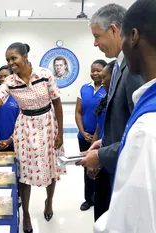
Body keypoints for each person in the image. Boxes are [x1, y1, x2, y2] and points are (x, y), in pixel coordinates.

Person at [0, 42, 65, 233]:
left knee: (51, 168)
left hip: (48, 125)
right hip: (25, 127)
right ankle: (25, 215)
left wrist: (61, 133)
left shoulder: (45, 75)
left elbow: (57, 104)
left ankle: (49, 201)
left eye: (13, 58)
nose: (10, 63)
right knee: (24, 173)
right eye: (8, 60)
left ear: (25, 56)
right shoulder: (10, 82)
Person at [95, 0, 156, 231]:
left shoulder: (146, 129)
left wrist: (102, 154)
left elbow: (135, 221)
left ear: (133, 36)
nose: (95, 43)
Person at [77, 3, 143, 207]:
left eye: (97, 36)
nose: (95, 44)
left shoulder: (133, 70)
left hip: (128, 169)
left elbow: (138, 134)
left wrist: (102, 154)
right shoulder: (116, 67)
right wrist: (103, 143)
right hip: (115, 160)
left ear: (114, 30)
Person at [75, 59, 107, 211]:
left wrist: (94, 136)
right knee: (86, 168)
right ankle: (89, 198)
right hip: (83, 137)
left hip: (101, 139)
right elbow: (78, 112)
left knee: (100, 168)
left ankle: (100, 197)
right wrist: (82, 132)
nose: (94, 73)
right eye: (92, 70)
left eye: (98, 70)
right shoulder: (84, 88)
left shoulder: (108, 88)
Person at [90, 60, 115, 221]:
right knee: (100, 202)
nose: (103, 80)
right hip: (100, 153)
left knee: (109, 206)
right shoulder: (104, 100)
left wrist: (99, 157)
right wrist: (92, 151)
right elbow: (99, 127)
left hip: (110, 159)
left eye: (106, 76)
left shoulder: (118, 102)